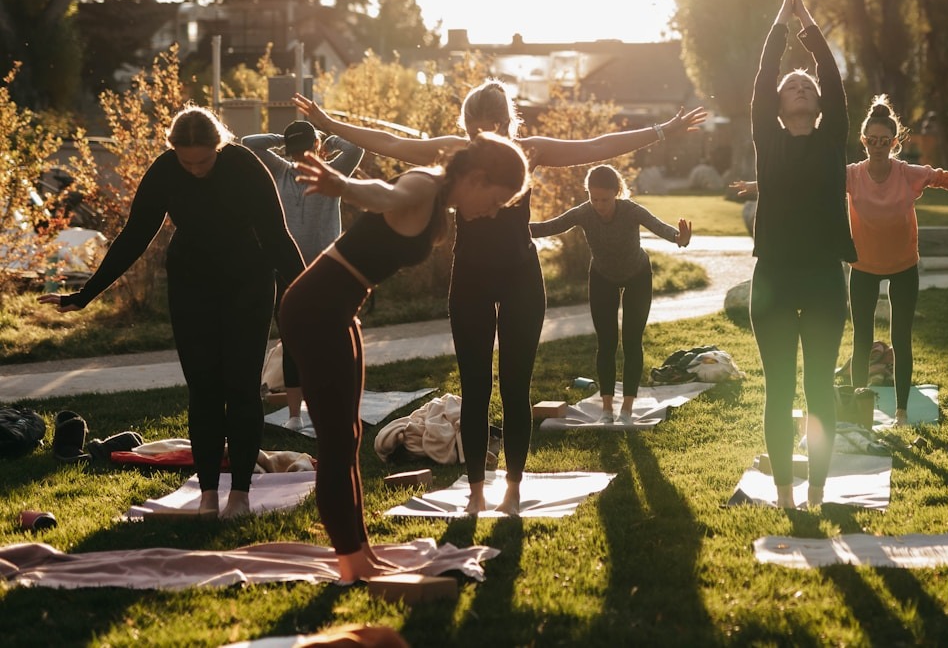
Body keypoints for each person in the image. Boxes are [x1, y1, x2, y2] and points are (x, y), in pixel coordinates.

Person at [293, 88, 707, 514]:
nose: (484, 141)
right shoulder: (454, 153)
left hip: (521, 279)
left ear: (508, 124)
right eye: (476, 132)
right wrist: (328, 124)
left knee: (514, 386)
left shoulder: (529, 151)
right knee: (474, 387)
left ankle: (512, 489)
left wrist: (663, 130)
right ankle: (475, 491)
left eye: (491, 131)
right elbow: (396, 145)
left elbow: (597, 147)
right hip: (470, 277)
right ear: (467, 126)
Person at [278, 132, 529, 581]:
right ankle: (352, 563)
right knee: (336, 443)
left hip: (338, 310)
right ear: (477, 177)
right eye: (495, 199)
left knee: (349, 437)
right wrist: (344, 187)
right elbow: (385, 194)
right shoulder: (426, 186)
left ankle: (361, 553)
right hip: (314, 309)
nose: (493, 211)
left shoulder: (440, 201)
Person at [40, 106, 305, 519]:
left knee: (240, 386)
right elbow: (135, 235)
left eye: (204, 160)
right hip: (191, 285)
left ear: (220, 146)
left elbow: (276, 236)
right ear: (174, 152)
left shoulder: (245, 166)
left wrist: (313, 292)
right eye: (187, 161)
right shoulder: (165, 170)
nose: (196, 169)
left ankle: (240, 493)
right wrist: (85, 294)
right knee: (203, 389)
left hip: (247, 283)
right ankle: (207, 494)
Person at [749, 0, 856, 510]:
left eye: (805, 87)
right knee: (777, 389)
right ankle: (785, 495)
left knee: (819, 387)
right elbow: (766, 71)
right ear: (776, 104)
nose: (798, 86)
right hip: (771, 277)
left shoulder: (832, 138)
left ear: (817, 107)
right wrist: (778, 21)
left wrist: (807, 25)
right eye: (790, 86)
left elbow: (832, 78)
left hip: (821, 280)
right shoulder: (766, 139)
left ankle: (816, 492)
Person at [842, 96, 948, 426]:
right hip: (863, 266)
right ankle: (862, 412)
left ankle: (901, 412)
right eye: (871, 141)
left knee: (901, 337)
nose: (877, 147)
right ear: (863, 141)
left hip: (903, 266)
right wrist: (763, 185)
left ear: (895, 142)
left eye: (884, 141)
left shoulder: (908, 174)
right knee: (861, 339)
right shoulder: (851, 175)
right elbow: (808, 185)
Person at [530, 164, 692, 423]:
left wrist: (679, 238)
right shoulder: (585, 213)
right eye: (594, 199)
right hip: (602, 277)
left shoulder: (631, 211)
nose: (599, 205)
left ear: (617, 192)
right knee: (606, 343)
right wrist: (512, 227)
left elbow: (661, 228)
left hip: (638, 276)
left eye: (605, 199)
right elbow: (551, 226)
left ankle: (627, 408)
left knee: (631, 340)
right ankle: (607, 409)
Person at [243, 120, 365, 430]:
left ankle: (316, 409)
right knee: (305, 338)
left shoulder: (318, 174)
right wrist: (305, 139)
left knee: (315, 338)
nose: (298, 157)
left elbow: (356, 148)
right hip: (296, 270)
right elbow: (248, 142)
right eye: (296, 151)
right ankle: (302, 414)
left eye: (300, 149)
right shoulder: (292, 171)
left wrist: (312, 139)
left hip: (319, 270)